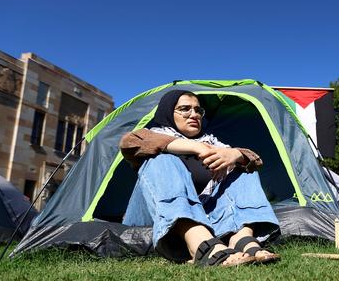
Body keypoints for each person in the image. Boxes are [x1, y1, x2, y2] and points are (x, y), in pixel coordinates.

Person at [119, 90, 281, 267]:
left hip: (205, 215)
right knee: (162, 157)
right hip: (151, 218)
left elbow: (255, 161)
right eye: (184, 109)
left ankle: (242, 238)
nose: (193, 114)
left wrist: (234, 154)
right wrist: (197, 147)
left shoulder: (213, 143)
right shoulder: (152, 136)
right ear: (167, 111)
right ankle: (198, 245)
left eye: (198, 110)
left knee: (242, 167)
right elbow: (129, 142)